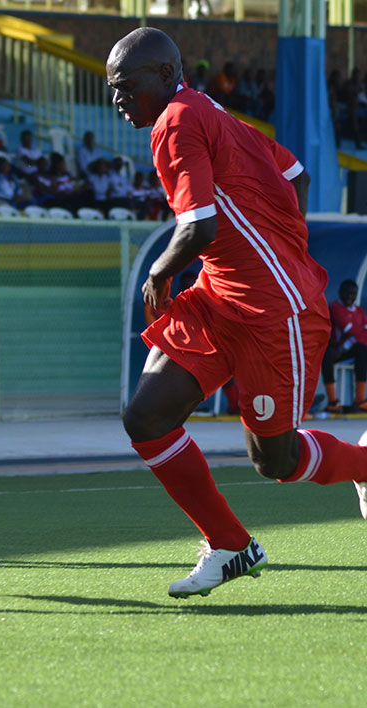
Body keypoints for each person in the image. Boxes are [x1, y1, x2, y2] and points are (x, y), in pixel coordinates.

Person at [107, 27, 367, 599]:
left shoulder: (176, 120)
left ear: (165, 75)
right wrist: (271, 238)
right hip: (222, 296)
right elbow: (294, 173)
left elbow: (199, 226)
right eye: (111, 88)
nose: (118, 99)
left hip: (276, 313)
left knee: (275, 461)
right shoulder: (205, 108)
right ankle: (230, 545)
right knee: (146, 418)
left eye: (126, 85)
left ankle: (364, 465)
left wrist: (158, 271)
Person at [321, 279, 367, 413]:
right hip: (336, 349)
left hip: (350, 348)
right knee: (326, 356)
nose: (349, 297)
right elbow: (350, 330)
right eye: (347, 293)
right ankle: (332, 401)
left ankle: (359, 399)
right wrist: (358, 329)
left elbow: (359, 331)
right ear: (340, 293)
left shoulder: (359, 310)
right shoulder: (335, 307)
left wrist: (356, 330)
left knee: (363, 351)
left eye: (353, 294)